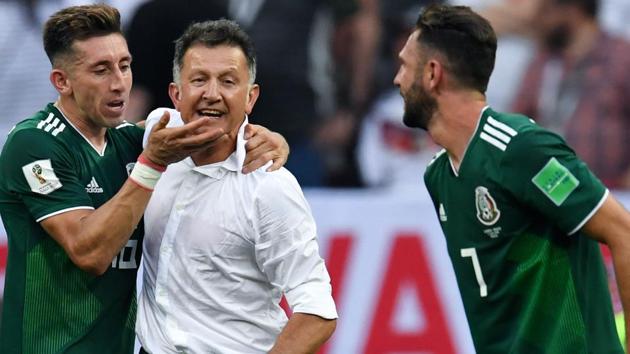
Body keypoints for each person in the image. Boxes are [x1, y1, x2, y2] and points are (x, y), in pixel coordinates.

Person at [0, 5, 289, 354]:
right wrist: (152, 163)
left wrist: (268, 137)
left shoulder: (128, 141)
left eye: (125, 66)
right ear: (62, 81)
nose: (119, 83)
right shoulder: (34, 144)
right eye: (101, 70)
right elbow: (90, 253)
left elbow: (212, 130)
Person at [394, 4, 630, 352]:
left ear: (432, 73)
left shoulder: (521, 148)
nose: (397, 79)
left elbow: (622, 232)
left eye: (404, 65)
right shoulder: (439, 176)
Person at [136, 19, 337, 353]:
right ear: (176, 94)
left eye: (228, 81)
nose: (212, 94)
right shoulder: (157, 137)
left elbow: (317, 310)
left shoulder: (270, 186)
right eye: (199, 79)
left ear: (250, 98)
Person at [511, 0, 630, 189]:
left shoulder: (622, 58)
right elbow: (516, 123)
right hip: (552, 191)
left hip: (613, 195)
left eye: (546, 12)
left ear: (573, 10)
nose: (537, 20)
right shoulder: (542, 61)